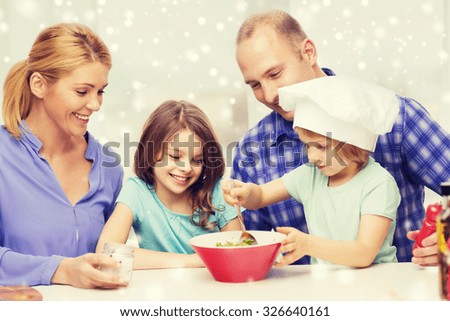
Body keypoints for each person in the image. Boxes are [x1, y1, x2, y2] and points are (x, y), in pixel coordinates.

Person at [232, 9, 450, 265]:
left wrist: (446, 238)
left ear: (309, 53)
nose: (269, 96)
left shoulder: (396, 118)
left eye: (275, 74)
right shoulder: (254, 148)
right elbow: (247, 245)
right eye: (255, 85)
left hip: (394, 293)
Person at [223, 76, 401, 267]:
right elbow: (261, 195)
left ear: (353, 143)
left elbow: (363, 253)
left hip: (374, 285)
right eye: (308, 146)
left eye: (321, 147)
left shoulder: (378, 184)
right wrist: (247, 193)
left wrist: (308, 244)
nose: (311, 156)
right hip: (326, 285)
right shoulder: (311, 175)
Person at [0, 23, 125, 288]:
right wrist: (60, 270)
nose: (95, 104)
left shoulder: (108, 166)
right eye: (82, 91)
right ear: (39, 85)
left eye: (100, 91)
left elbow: (114, 254)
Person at [96, 100, 241, 268]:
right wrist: (191, 261)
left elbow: (237, 253)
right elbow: (106, 253)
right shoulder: (137, 191)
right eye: (175, 156)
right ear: (150, 152)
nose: (186, 168)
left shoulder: (217, 192)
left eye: (197, 160)